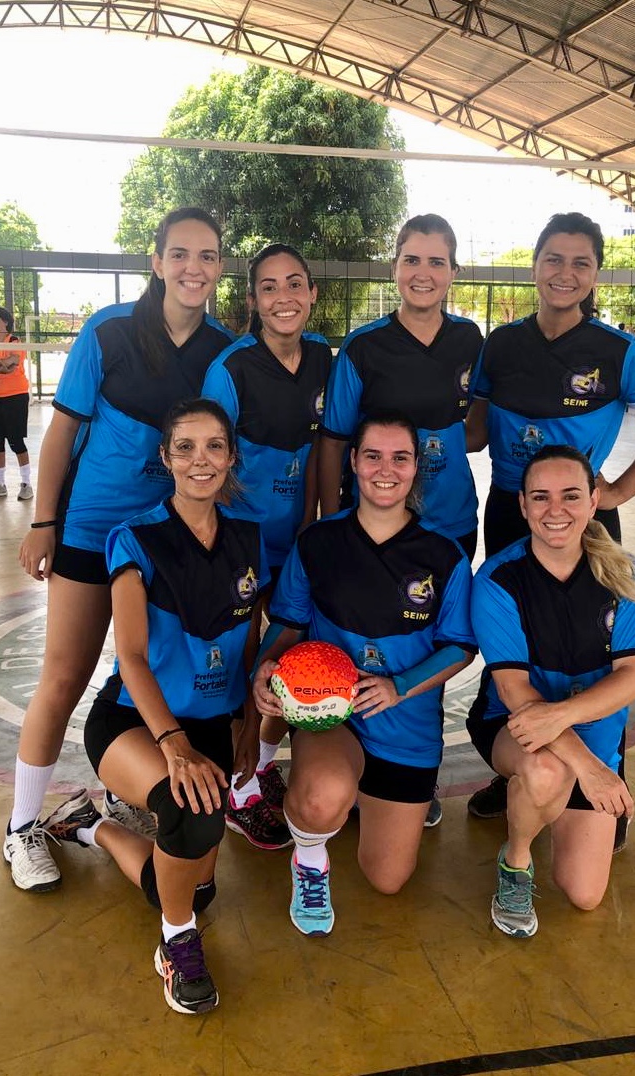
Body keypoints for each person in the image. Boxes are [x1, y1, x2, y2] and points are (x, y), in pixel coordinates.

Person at [6, 207, 234, 894]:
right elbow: (60, 433)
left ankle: (117, 797)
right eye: (181, 254)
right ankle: (21, 829)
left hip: (166, 538)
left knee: (149, 669)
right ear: (157, 261)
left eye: (208, 255)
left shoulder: (221, 349)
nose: (194, 267)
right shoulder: (107, 332)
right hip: (87, 529)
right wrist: (44, 521)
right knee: (63, 676)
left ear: (220, 267)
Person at [464, 211, 635, 829]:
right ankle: (510, 766)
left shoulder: (619, 353)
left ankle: (607, 785)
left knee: (597, 650)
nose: (565, 273)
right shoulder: (501, 345)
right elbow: (475, 432)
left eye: (580, 263)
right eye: (554, 260)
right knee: (512, 648)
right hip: (513, 510)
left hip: (583, 520)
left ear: (594, 276)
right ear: (535, 267)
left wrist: (614, 493)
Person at [43, 398, 267, 1014]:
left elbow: (248, 641)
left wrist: (250, 727)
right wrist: (176, 749)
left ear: (231, 457)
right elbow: (134, 657)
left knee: (199, 887)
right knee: (190, 812)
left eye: (215, 446)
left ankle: (89, 825)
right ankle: (176, 946)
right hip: (135, 722)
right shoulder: (135, 539)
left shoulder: (249, 538)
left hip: (212, 723)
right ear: (165, 458)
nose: (201, 460)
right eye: (186, 447)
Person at [253, 412, 476, 936]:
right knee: (320, 795)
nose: (385, 469)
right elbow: (287, 620)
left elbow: (460, 647)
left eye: (400, 457)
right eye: (372, 455)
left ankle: (360, 800)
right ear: (352, 463)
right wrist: (264, 669)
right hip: (338, 717)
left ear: (416, 468)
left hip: (407, 730)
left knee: (387, 878)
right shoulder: (319, 542)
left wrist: (399, 686)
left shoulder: (444, 554)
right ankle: (310, 859)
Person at [318, 213, 483, 827]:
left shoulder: (471, 342)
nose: (423, 272)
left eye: (436, 261)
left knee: (429, 646)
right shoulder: (364, 347)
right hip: (370, 524)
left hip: (449, 522)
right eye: (412, 259)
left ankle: (416, 771)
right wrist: (332, 518)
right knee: (356, 635)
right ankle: (345, 758)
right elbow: (335, 437)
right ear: (395, 268)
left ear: (453, 272)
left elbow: (481, 420)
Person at [467, 445, 635, 938]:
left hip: (586, 731)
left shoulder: (627, 575)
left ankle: (544, 799)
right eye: (541, 497)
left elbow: (633, 675)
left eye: (571, 495)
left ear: (595, 501)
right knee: (544, 771)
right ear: (523, 505)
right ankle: (516, 859)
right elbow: (516, 695)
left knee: (584, 893)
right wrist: (591, 771)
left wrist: (567, 725)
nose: (556, 510)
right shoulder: (497, 581)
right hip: (512, 724)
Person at [203, 243, 332, 849]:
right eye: (269, 287)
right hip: (239, 544)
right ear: (253, 301)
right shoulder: (232, 369)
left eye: (295, 284)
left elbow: (321, 453)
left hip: (298, 543)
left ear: (311, 293)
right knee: (242, 666)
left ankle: (258, 773)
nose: (284, 297)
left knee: (285, 666)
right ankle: (239, 789)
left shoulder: (325, 360)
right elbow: (209, 459)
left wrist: (312, 525)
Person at [0, 306, 32, 501]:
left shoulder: (15, 342)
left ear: (6, 322)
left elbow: (11, 364)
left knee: (16, 441)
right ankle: (0, 484)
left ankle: (26, 484)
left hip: (15, 397)